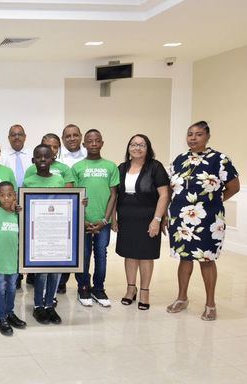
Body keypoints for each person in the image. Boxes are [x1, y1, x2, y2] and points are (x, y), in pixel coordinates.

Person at [166, 121, 239, 321]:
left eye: (198, 134)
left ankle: (210, 304)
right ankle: (182, 298)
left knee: (206, 259)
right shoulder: (179, 159)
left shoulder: (220, 159)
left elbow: (234, 187)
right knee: (185, 258)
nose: (193, 137)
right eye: (190, 134)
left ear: (207, 137)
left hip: (208, 219)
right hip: (180, 218)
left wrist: (214, 203)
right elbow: (171, 188)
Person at [111, 134, 170, 310]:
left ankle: (144, 291)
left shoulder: (155, 167)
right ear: (128, 148)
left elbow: (164, 195)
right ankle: (131, 289)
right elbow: (114, 195)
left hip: (148, 218)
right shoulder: (121, 168)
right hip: (126, 218)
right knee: (129, 255)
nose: (137, 147)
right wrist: (113, 217)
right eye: (133, 144)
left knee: (145, 255)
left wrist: (157, 220)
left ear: (147, 148)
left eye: (141, 145)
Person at [23, 144, 77, 324]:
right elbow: (25, 206)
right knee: (41, 272)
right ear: (33, 160)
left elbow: (66, 204)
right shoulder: (29, 181)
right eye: (39, 157)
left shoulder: (59, 181)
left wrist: (80, 203)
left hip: (56, 232)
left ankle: (49, 306)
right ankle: (38, 306)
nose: (43, 160)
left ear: (53, 159)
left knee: (55, 270)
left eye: (46, 157)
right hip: (37, 234)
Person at [72, 129, 119, 308]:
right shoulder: (77, 168)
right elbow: (74, 196)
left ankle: (98, 288)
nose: (93, 144)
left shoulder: (110, 166)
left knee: (101, 254)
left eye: (97, 141)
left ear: (102, 143)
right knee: (83, 255)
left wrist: (105, 220)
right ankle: (83, 286)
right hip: (82, 221)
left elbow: (113, 195)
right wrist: (82, 220)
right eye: (89, 141)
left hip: (103, 222)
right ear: (83, 145)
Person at [0, 181, 27, 336]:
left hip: (14, 262)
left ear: (15, 196)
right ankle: (1, 317)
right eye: (2, 195)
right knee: (0, 290)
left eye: (10, 195)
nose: (6, 198)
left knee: (11, 289)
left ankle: (10, 313)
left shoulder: (18, 214)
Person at [57, 125, 86, 293]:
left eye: (75, 135)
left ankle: (83, 284)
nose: (72, 138)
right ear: (63, 139)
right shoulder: (59, 160)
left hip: (85, 210)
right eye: (68, 136)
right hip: (64, 211)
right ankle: (61, 281)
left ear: (80, 136)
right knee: (64, 247)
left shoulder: (89, 155)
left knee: (83, 250)